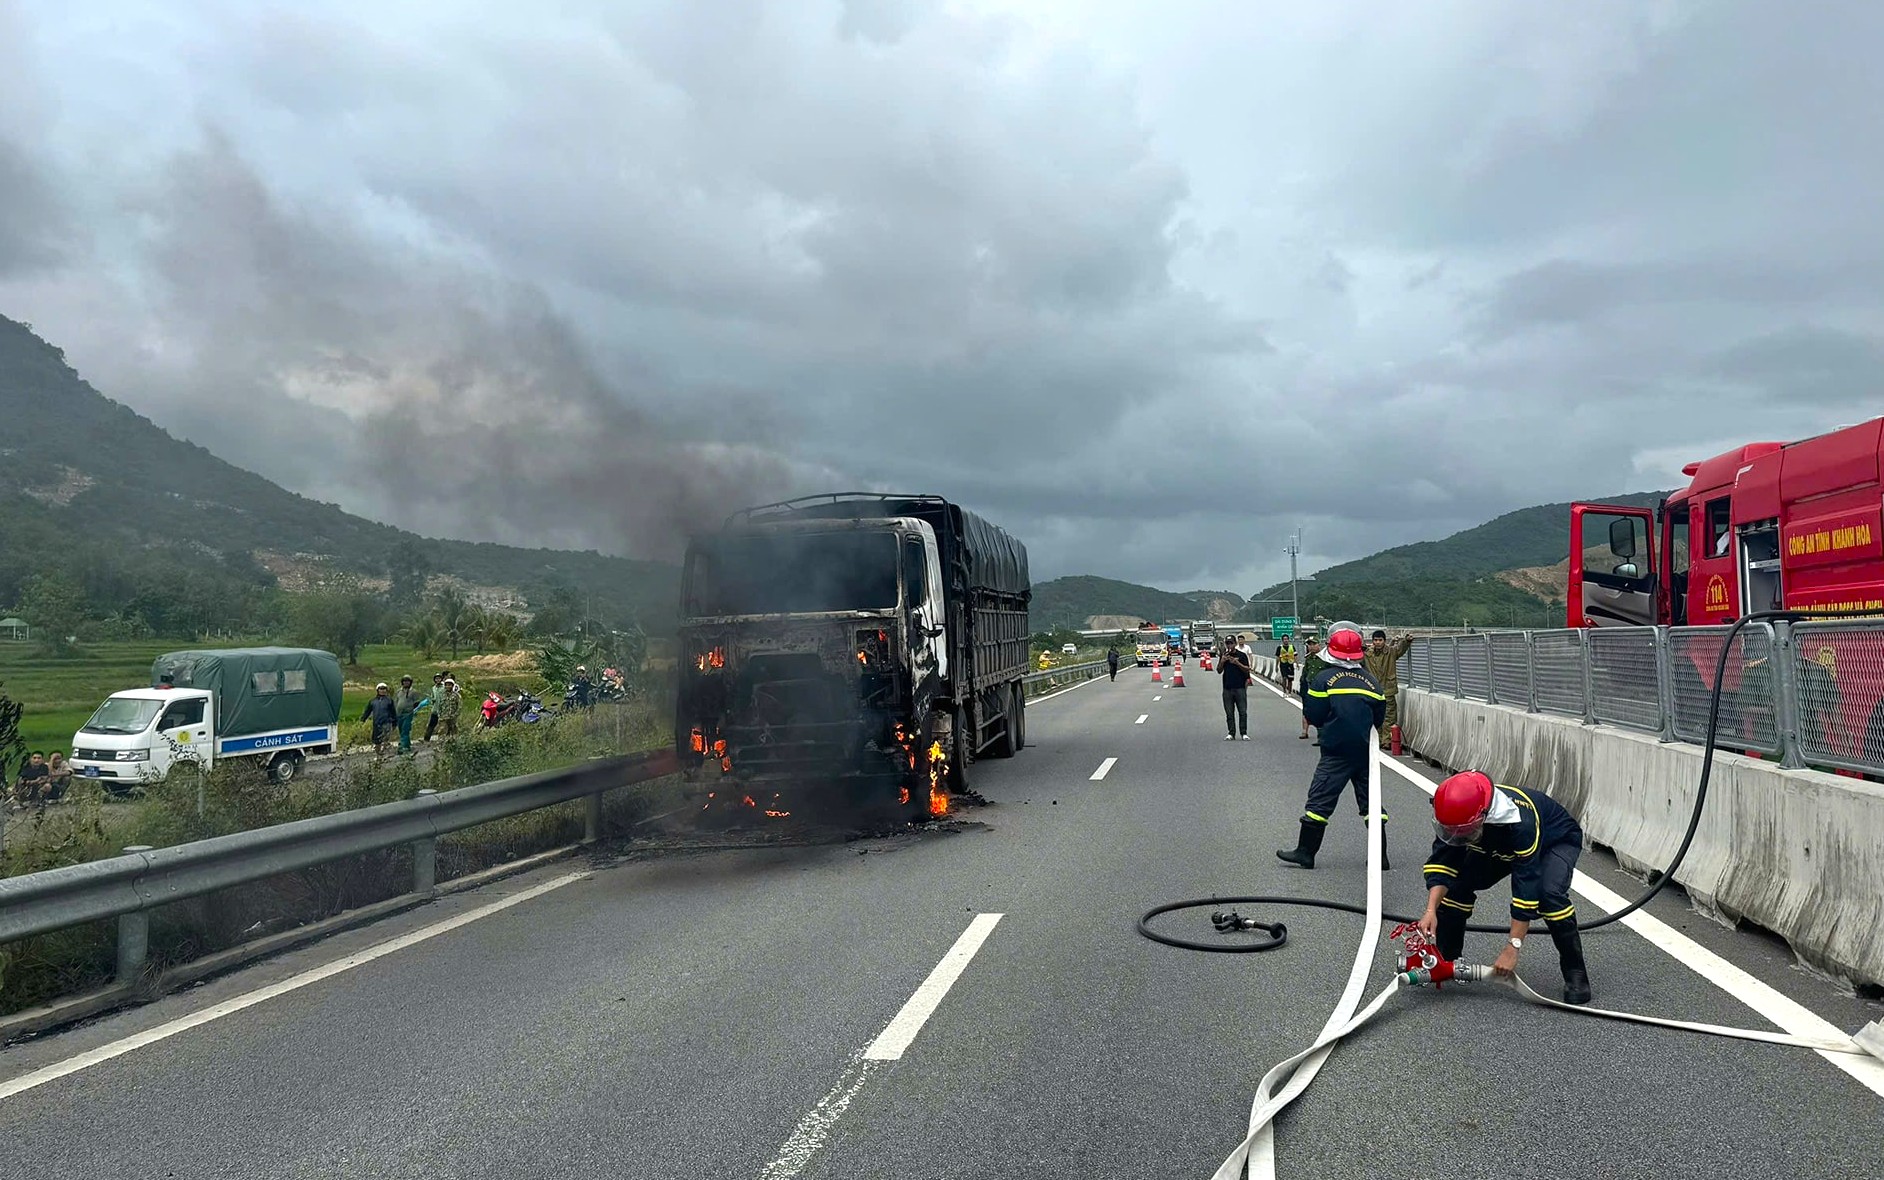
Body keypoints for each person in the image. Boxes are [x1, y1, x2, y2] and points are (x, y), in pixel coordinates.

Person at [1416, 770, 1591, 1005]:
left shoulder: (1520, 821)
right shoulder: (1457, 814)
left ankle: (1575, 973)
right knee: (1457, 885)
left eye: (1462, 830)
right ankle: (1448, 960)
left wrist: (1513, 947)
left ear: (1483, 816)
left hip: (1553, 841)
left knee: (1548, 895)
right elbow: (1443, 864)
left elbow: (1526, 886)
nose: (1455, 834)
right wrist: (1430, 911)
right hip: (1498, 845)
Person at [1277, 624, 1387, 870]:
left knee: (1320, 799)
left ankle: (1306, 852)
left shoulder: (1323, 679)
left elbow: (1313, 714)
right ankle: (1380, 856)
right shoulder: (1372, 682)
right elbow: (1379, 718)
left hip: (1336, 751)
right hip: (1365, 751)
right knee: (1371, 801)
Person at [1363, 630, 1414, 751]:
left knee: (1389, 716)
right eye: (1375, 640)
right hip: (1373, 690)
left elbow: (1400, 649)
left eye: (1380, 640)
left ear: (1384, 641)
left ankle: (1387, 740)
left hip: (1388, 689)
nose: (1378, 642)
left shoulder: (1391, 652)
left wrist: (1406, 641)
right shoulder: (1367, 654)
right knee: (1376, 716)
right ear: (1372, 641)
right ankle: (1378, 739)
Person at [1219, 639, 1253, 740]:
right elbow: (1219, 670)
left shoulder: (1242, 655)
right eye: (1227, 643)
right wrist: (1222, 661)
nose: (1229, 645)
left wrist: (1237, 663)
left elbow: (1247, 669)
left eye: (1231, 643)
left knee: (1242, 712)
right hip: (1227, 688)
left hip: (1240, 687)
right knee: (1229, 713)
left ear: (1235, 644)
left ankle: (1243, 733)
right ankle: (1231, 733)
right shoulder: (1224, 655)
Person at [1297, 636, 1328, 740]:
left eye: (1314, 644)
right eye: (1309, 644)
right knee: (1306, 709)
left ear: (1319, 645)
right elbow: (1305, 673)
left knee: (1321, 710)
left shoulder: (1325, 658)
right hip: (1309, 686)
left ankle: (1321, 735)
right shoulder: (1308, 658)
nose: (1311, 647)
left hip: (1321, 688)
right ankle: (1304, 731)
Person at [362, 683, 399, 756]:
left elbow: (393, 712)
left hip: (387, 722)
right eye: (381, 689)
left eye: (384, 689)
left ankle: (384, 752)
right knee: (377, 740)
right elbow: (367, 711)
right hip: (376, 723)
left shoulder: (389, 700)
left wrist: (395, 722)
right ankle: (378, 754)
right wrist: (363, 719)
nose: (383, 691)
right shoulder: (373, 701)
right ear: (378, 690)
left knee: (385, 739)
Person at [393, 676, 423, 754]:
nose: (406, 683)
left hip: (408, 713)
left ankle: (403, 747)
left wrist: (412, 709)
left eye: (408, 681)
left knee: (405, 730)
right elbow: (396, 701)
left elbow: (417, 702)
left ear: (410, 682)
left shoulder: (413, 692)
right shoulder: (399, 691)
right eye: (404, 681)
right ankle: (407, 745)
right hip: (399, 714)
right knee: (401, 730)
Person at [423, 671, 446, 742]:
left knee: (443, 725)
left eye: (439, 678)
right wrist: (432, 700)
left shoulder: (444, 687)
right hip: (435, 709)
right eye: (436, 679)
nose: (437, 680)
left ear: (441, 679)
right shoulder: (433, 688)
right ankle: (426, 739)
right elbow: (432, 697)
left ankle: (442, 740)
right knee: (431, 725)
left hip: (443, 710)